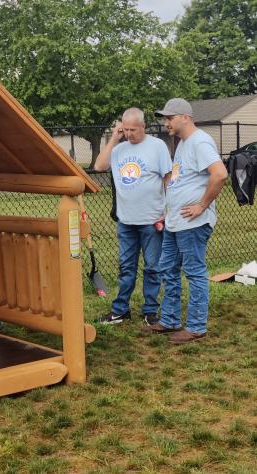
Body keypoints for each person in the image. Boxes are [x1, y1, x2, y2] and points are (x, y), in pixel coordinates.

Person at [142, 98, 228, 343]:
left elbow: (220, 174)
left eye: (169, 118)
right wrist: (169, 209)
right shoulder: (182, 144)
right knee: (168, 270)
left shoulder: (200, 142)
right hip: (175, 222)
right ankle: (169, 320)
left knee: (194, 273)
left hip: (193, 225)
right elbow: (180, 180)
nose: (165, 122)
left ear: (185, 117)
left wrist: (202, 205)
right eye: (165, 118)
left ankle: (196, 327)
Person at [95, 107, 172, 325]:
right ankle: (120, 310)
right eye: (125, 129)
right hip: (126, 221)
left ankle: (150, 311)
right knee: (126, 268)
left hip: (151, 220)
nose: (129, 134)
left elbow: (168, 178)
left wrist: (169, 209)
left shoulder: (157, 147)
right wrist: (113, 139)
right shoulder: (118, 149)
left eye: (132, 130)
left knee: (153, 267)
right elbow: (99, 166)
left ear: (143, 127)